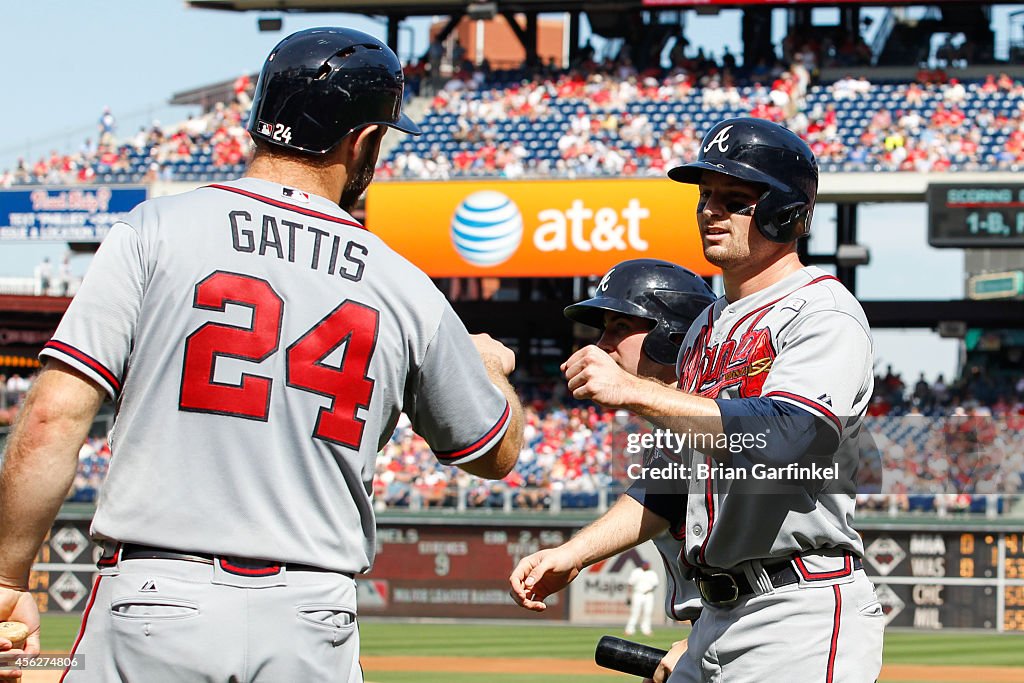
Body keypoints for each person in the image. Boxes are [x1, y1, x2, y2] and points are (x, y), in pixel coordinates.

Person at [0, 27, 524, 682]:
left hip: (156, 596)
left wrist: (7, 576)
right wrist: (491, 370)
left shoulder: (154, 230)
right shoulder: (403, 285)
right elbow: (493, 451)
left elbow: (51, 419)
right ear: (362, 141)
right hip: (310, 617)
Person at [512, 118, 884, 683]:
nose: (710, 210)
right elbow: (670, 487)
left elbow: (788, 436)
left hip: (796, 606)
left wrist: (635, 391)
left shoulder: (823, 311)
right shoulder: (708, 325)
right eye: (705, 196)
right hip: (714, 616)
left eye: (735, 200)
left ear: (784, 211)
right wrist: (575, 554)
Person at [515, 258, 715, 681]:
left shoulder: (732, 410)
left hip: (778, 635)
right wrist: (573, 554)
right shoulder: (672, 433)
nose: (602, 344)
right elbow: (658, 497)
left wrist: (709, 643)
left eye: (621, 328)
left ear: (673, 335)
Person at [625, 560, 659, 637]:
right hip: (638, 594)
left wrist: (649, 590)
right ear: (642, 565)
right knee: (635, 612)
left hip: (648, 594)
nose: (647, 566)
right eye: (646, 565)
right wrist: (628, 596)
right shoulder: (636, 572)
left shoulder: (652, 573)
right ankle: (629, 629)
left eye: (648, 565)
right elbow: (630, 584)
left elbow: (655, 585)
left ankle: (646, 629)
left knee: (648, 612)